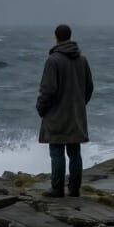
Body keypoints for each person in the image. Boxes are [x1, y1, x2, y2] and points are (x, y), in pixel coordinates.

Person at [36, 24, 94, 198]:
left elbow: (48, 90)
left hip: (56, 115)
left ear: (56, 37)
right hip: (76, 114)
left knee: (57, 151)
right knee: (75, 152)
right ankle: (75, 189)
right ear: (70, 36)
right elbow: (89, 88)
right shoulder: (82, 59)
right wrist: (79, 104)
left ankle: (57, 189)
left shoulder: (53, 60)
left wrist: (41, 108)